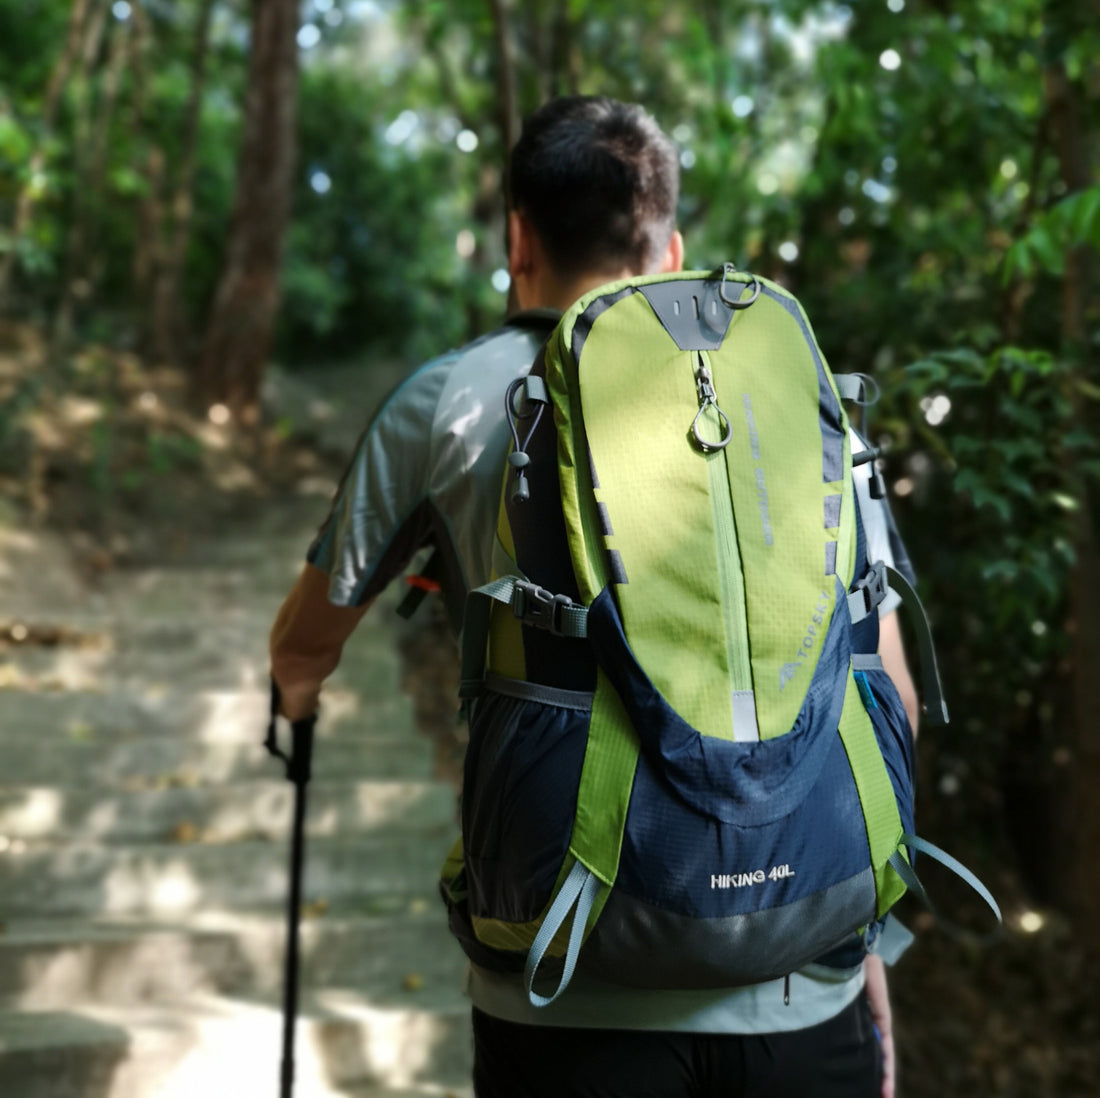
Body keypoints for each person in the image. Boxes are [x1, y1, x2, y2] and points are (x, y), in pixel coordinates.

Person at [269, 95, 917, 1098]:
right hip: (801, 975)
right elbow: (882, 688)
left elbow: (305, 645)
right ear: (671, 250)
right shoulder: (794, 399)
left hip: (568, 981)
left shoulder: (452, 399)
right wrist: (856, 934)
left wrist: (297, 701)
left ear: (516, 237)